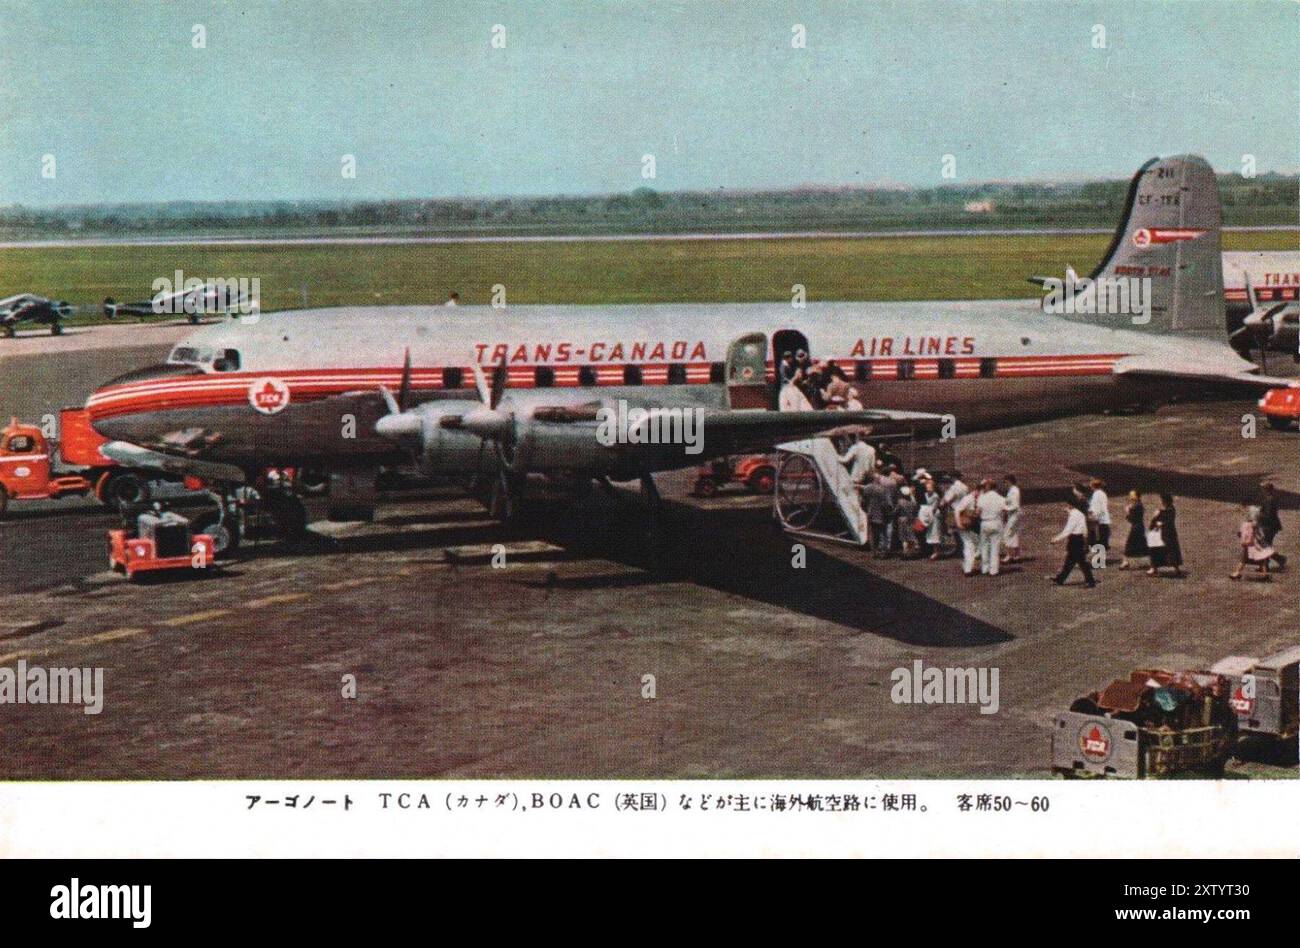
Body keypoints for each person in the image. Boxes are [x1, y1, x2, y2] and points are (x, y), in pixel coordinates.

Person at [1050, 499, 1096, 587]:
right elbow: (1084, 529)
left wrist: (1056, 539)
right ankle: (1060, 579)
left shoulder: (1074, 515)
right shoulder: (1079, 514)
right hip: (1079, 539)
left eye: (1067, 505)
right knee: (1070, 561)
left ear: (1070, 505)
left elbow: (1067, 531)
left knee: (1080, 562)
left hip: (1075, 540)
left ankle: (1090, 581)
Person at [1230, 505, 1274, 581]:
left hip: (1247, 545)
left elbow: (1240, 533)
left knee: (1243, 560)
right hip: (1254, 545)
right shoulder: (1254, 525)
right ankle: (1265, 575)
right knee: (1262, 559)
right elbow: (1257, 535)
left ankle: (1236, 573)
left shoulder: (1244, 524)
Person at [1147, 493, 1183, 577]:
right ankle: (1155, 568)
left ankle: (1156, 568)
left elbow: (1167, 521)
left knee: (1167, 550)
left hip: (1166, 534)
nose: (1160, 501)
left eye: (1161, 500)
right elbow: (1155, 522)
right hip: (1165, 534)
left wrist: (1159, 522)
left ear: (1164, 501)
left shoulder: (1168, 511)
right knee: (1162, 550)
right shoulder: (1168, 510)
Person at [975, 479, 1007, 575]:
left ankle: (985, 568)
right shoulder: (1001, 498)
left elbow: (978, 512)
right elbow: (1005, 512)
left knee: (984, 546)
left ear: (987, 487)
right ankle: (994, 570)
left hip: (985, 522)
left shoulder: (982, 498)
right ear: (995, 487)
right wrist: (1004, 521)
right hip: (996, 522)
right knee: (995, 547)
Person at [953, 482, 981, 576]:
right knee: (969, 546)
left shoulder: (975, 499)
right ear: (977, 490)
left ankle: (968, 565)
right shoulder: (968, 499)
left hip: (971, 525)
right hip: (964, 524)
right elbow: (957, 510)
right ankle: (968, 569)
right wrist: (958, 523)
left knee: (975, 545)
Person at [1257, 482, 1287, 570]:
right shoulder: (1270, 499)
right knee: (1266, 545)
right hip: (1271, 525)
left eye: (1263, 488)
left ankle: (1269, 564)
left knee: (1265, 545)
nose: (1262, 490)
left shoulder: (1269, 500)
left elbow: (1268, 514)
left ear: (1267, 490)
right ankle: (1274, 561)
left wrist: (1258, 515)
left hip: (1269, 526)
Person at [862, 475, 894, 557]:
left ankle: (874, 552)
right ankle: (883, 552)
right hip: (882, 514)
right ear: (879, 480)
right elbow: (888, 504)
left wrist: (866, 510)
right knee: (883, 534)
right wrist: (890, 513)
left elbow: (863, 502)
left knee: (873, 533)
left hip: (871, 514)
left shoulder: (867, 489)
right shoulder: (884, 490)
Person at [1118, 489, 1148, 570]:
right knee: (1143, 546)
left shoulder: (1136, 506)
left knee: (1129, 545)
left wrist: (1128, 511)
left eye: (1132, 495)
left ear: (1137, 496)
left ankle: (1125, 562)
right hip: (1139, 527)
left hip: (1136, 528)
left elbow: (1131, 519)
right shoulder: (1137, 505)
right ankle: (1153, 563)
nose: (1130, 497)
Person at [1001, 473, 1022, 564]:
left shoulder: (1014, 491)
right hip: (1012, 514)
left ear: (1009, 481)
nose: (1005, 484)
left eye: (1005, 482)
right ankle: (1017, 555)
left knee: (1007, 534)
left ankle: (1009, 555)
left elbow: (1015, 505)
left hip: (1014, 514)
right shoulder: (1011, 490)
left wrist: (1004, 508)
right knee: (1013, 533)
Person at [894, 485, 920, 558]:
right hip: (911, 520)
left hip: (902, 520)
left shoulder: (900, 502)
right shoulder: (913, 502)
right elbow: (916, 510)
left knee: (903, 537)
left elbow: (896, 511)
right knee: (911, 535)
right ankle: (912, 552)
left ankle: (905, 552)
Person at [1088, 478, 1112, 557]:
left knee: (1099, 539)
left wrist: (1095, 517)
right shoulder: (1101, 493)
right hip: (1103, 518)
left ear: (1093, 486)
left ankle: (1099, 560)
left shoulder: (1097, 494)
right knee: (1101, 539)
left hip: (1100, 520)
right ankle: (1099, 559)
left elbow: (1097, 508)